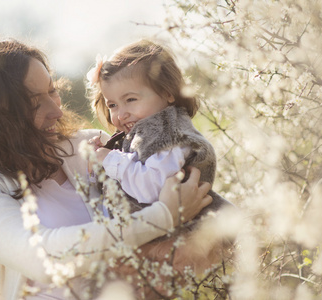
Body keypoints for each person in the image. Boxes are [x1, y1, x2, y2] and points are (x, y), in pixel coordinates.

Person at [0, 36, 213, 300]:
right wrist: (162, 217)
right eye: (32, 103)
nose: (56, 110)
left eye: (52, 92)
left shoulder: (91, 146)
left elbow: (195, 199)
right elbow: (43, 260)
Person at [86, 39, 232, 217]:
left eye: (131, 100)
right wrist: (101, 157)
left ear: (167, 92)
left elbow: (152, 189)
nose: (121, 114)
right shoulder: (143, 133)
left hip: (183, 235)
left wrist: (109, 159)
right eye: (113, 105)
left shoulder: (168, 135)